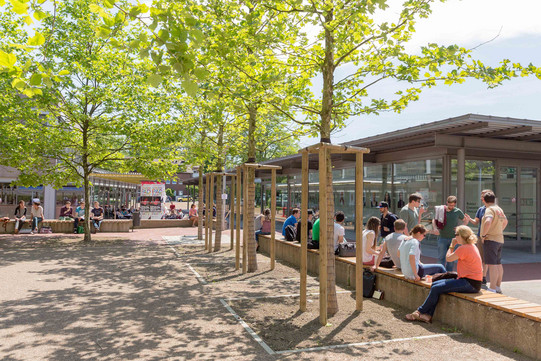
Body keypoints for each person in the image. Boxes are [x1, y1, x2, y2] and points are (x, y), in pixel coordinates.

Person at [405, 225, 483, 323]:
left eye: (456, 234)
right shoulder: (471, 246)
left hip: (470, 283)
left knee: (436, 287)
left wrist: (452, 245)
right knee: (435, 285)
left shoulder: (464, 248)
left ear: (462, 236)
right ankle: (427, 316)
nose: (454, 237)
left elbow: (448, 258)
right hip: (469, 281)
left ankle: (420, 312)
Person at [432, 195, 470, 272]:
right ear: (447, 203)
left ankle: (449, 274)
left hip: (454, 239)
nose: (451, 207)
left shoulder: (457, 211)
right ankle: (440, 273)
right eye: (450, 205)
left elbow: (465, 220)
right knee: (441, 257)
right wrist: (435, 228)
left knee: (451, 258)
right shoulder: (441, 210)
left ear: (455, 204)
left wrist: (460, 228)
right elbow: (434, 220)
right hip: (442, 237)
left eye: (453, 205)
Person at [480, 191, 508, 294]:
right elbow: (505, 222)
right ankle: (497, 286)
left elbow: (488, 221)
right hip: (499, 239)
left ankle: (492, 288)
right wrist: (499, 230)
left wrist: (484, 234)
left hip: (491, 240)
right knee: (498, 264)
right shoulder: (499, 209)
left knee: (491, 265)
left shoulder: (489, 209)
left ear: (484, 200)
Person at [467, 189, 493, 288]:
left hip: (489, 236)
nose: (482, 198)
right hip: (480, 236)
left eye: (483, 196)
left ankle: (484, 277)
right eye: (481, 196)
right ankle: (480, 276)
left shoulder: (493, 209)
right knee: (480, 257)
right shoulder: (481, 209)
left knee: (486, 259)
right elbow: (476, 222)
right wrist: (469, 219)